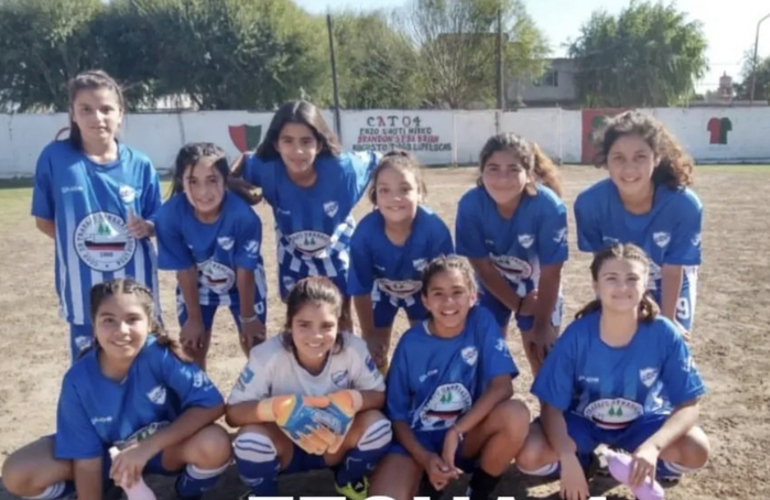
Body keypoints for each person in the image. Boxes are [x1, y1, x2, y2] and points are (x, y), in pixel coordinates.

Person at [1, 279, 232, 500]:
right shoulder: (78, 379)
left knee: (215, 443)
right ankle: (106, 489)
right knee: (18, 472)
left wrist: (146, 448)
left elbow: (211, 404)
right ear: (94, 325)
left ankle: (186, 492)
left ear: (149, 323)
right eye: (108, 320)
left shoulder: (160, 355)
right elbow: (86, 459)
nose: (121, 330)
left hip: (163, 450)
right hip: (105, 461)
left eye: (132, 319)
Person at [515, 243, 710, 500]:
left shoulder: (663, 332)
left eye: (632, 278)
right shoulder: (577, 334)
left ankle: (638, 466)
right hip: (583, 423)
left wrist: (653, 446)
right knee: (529, 455)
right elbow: (551, 406)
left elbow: (689, 404)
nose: (622, 287)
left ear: (646, 284)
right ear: (596, 285)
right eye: (611, 278)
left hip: (642, 423)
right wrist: (566, 454)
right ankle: (584, 463)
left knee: (696, 449)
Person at [369, 255, 530, 500]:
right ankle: (427, 479)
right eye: (438, 294)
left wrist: (456, 432)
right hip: (417, 440)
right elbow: (397, 416)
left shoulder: (481, 322)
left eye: (457, 292)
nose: (449, 302)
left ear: (473, 296)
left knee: (516, 414)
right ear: (425, 300)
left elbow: (502, 387)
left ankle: (478, 490)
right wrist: (425, 458)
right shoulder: (411, 343)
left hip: (466, 434)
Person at [30, 70, 161, 361]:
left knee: (143, 365)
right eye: (86, 109)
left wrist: (147, 226)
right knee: (89, 368)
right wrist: (83, 245)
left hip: (136, 285)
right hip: (83, 292)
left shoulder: (140, 163)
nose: (97, 118)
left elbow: (158, 221)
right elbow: (44, 220)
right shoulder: (55, 158)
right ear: (73, 114)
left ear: (120, 113)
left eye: (106, 109)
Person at [226, 277, 392, 500]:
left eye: (326, 326)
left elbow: (379, 396)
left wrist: (351, 400)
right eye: (304, 325)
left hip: (336, 444)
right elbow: (233, 414)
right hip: (285, 446)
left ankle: (347, 480)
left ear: (340, 324)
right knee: (250, 440)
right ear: (289, 322)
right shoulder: (266, 355)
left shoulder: (353, 348)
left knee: (378, 426)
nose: (316, 336)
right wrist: (275, 409)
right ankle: (265, 494)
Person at [231, 100, 380, 329]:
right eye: (288, 141)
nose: (297, 150)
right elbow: (245, 158)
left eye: (306, 141)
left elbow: (379, 159)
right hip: (292, 251)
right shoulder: (267, 167)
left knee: (340, 318)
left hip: (336, 248)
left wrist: (384, 202)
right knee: (298, 317)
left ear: (319, 145)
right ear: (276, 144)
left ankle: (345, 363)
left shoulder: (344, 170)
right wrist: (234, 182)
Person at [574, 110, 702, 337]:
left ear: (657, 157)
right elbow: (603, 264)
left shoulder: (683, 205)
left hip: (668, 279)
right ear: (606, 160)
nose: (629, 169)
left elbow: (674, 268)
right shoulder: (589, 204)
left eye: (640, 157)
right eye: (619, 158)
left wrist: (668, 324)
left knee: (666, 345)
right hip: (620, 277)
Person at [455, 133, 568, 374]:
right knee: (484, 355)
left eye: (513, 169)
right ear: (481, 171)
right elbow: (482, 266)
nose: (502, 179)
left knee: (543, 354)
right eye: (493, 168)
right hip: (492, 284)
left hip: (539, 287)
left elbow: (551, 272)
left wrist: (540, 323)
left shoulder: (548, 207)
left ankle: (549, 412)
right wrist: (517, 304)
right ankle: (495, 408)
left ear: (529, 175)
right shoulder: (471, 205)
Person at [155, 142, 267, 369]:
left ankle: (260, 399)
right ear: (180, 182)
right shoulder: (169, 216)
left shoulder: (243, 217)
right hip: (197, 282)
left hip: (242, 281)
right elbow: (185, 269)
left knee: (256, 346)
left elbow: (245, 269)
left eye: (212, 180)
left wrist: (247, 317)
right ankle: (202, 400)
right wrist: (194, 319)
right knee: (192, 347)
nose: (203, 192)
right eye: (193, 182)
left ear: (225, 180)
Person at [348, 150, 454, 372]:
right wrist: (369, 333)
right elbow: (361, 288)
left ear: (420, 193)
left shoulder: (434, 230)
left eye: (405, 189)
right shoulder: (365, 233)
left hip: (421, 293)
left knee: (426, 347)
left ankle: (423, 387)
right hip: (382, 292)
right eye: (385, 190)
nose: (395, 198)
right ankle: (380, 389)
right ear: (374, 196)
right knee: (375, 351)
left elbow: (445, 285)